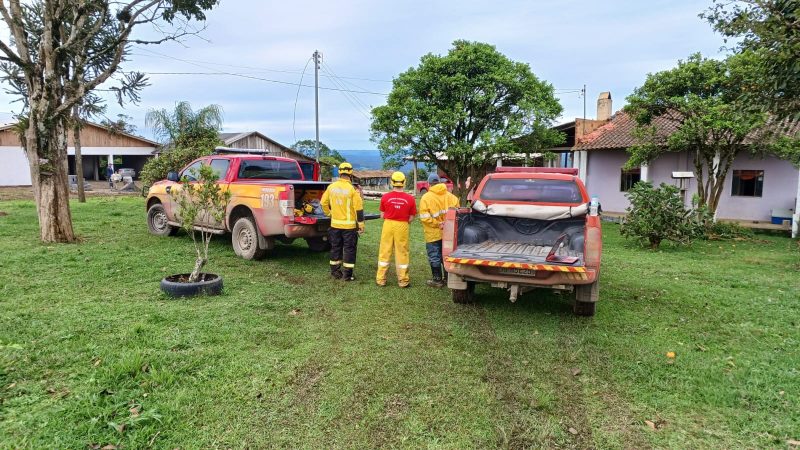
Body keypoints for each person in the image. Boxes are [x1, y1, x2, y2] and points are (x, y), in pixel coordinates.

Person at [320, 162, 365, 281]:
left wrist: (329, 213)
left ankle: (335, 272)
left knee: (335, 248)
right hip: (349, 227)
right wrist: (361, 224)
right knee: (349, 249)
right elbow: (359, 208)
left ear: (339, 172)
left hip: (334, 225)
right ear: (350, 173)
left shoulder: (331, 187)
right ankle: (347, 275)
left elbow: (323, 203)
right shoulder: (352, 189)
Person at [376, 171, 416, 288]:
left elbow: (382, 215)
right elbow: (412, 217)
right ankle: (403, 281)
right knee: (402, 252)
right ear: (404, 182)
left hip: (388, 224)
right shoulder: (410, 199)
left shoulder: (385, 197)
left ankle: (381, 279)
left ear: (392, 182)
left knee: (385, 251)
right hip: (402, 225)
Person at [419, 173, 459, 287]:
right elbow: (457, 215)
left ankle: (437, 280)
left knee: (434, 256)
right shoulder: (452, 197)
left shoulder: (426, 198)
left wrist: (437, 224)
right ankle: (448, 278)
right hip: (449, 233)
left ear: (429, 184)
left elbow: (425, 218)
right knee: (447, 255)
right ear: (440, 183)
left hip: (433, 234)